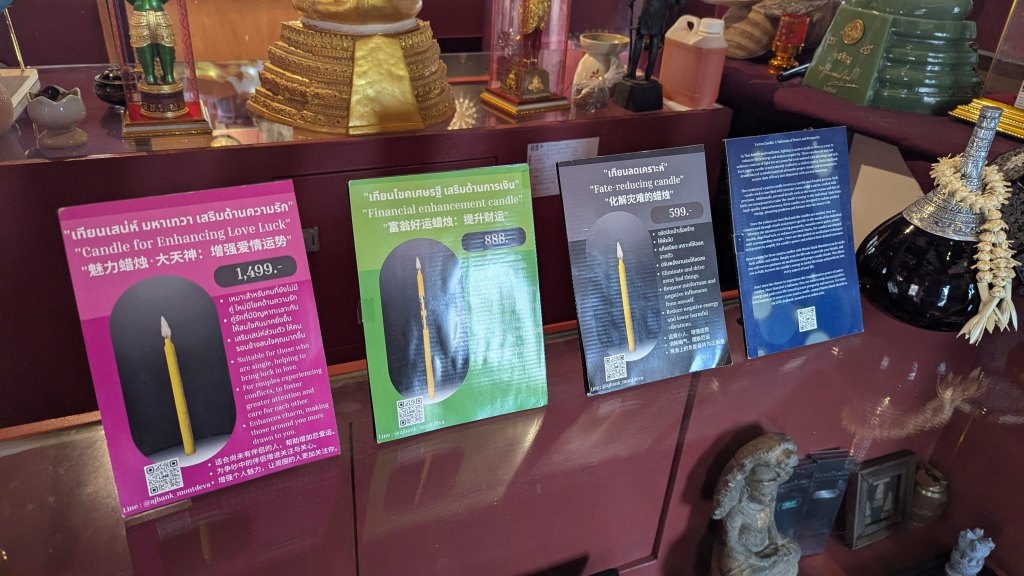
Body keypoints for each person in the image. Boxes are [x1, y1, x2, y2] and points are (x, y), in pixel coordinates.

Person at [711, 433, 801, 576]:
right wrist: (761, 561)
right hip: (746, 557)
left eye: (773, 493)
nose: (770, 498)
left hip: (767, 548)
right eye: (765, 494)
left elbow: (771, 524)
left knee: (795, 551)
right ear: (747, 490)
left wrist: (777, 542)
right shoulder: (737, 511)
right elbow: (731, 545)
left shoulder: (768, 504)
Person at [127, 0, 176, 85]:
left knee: (143, 44)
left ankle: (150, 77)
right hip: (158, 10)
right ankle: (168, 76)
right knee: (165, 42)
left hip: (140, 11)